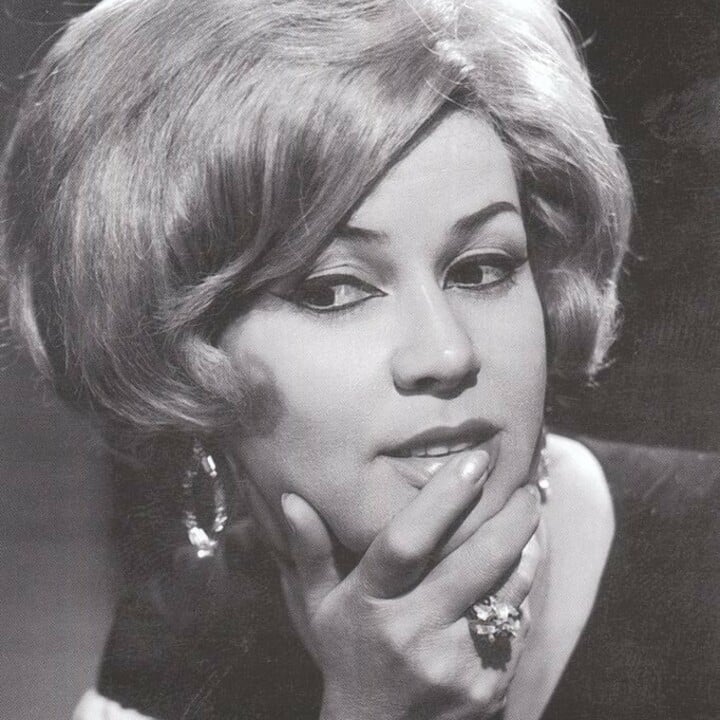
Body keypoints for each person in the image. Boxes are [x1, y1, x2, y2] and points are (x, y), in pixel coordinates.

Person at [1, 0, 718, 719]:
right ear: (182, 348)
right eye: (333, 290)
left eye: (482, 269)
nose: (447, 353)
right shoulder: (176, 645)